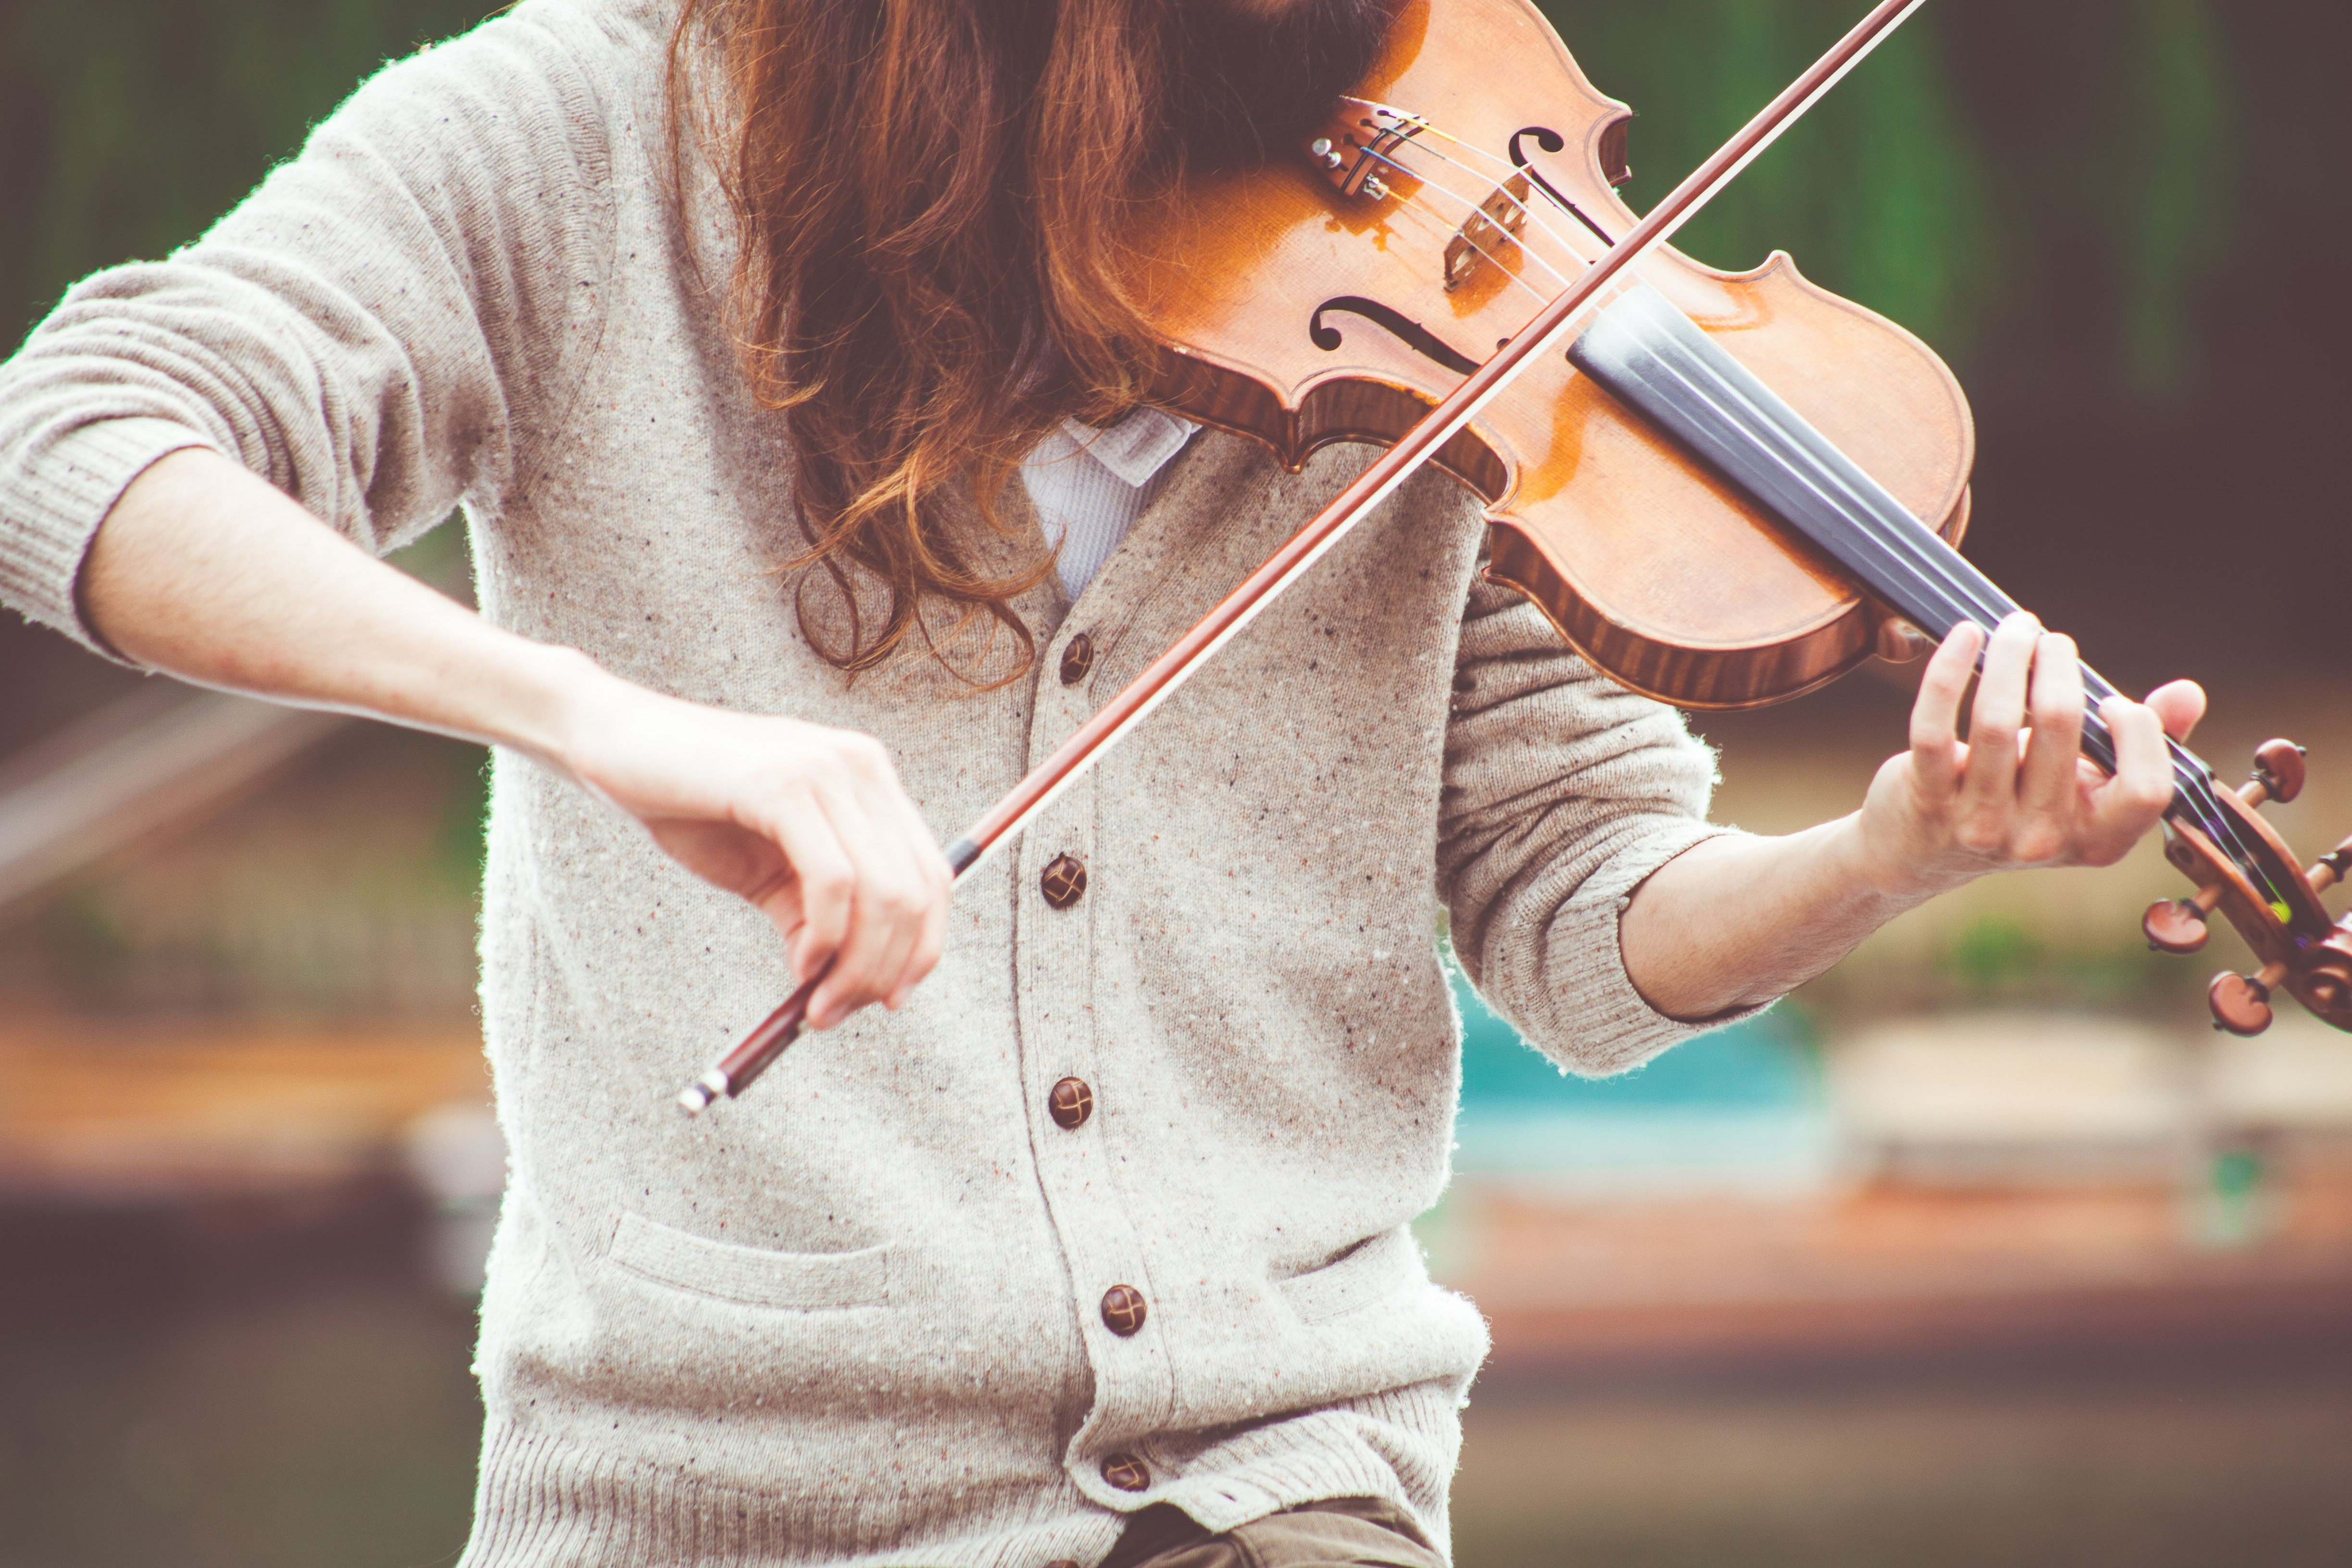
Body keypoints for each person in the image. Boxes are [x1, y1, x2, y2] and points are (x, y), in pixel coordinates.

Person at [0, 0, 2201, 1563]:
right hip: (715, 1503)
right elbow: (76, 445)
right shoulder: (573, 137)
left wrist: (1889, 849)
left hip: (1285, 1489)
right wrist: (590, 714)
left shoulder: (1454, 287)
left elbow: (1582, 911)